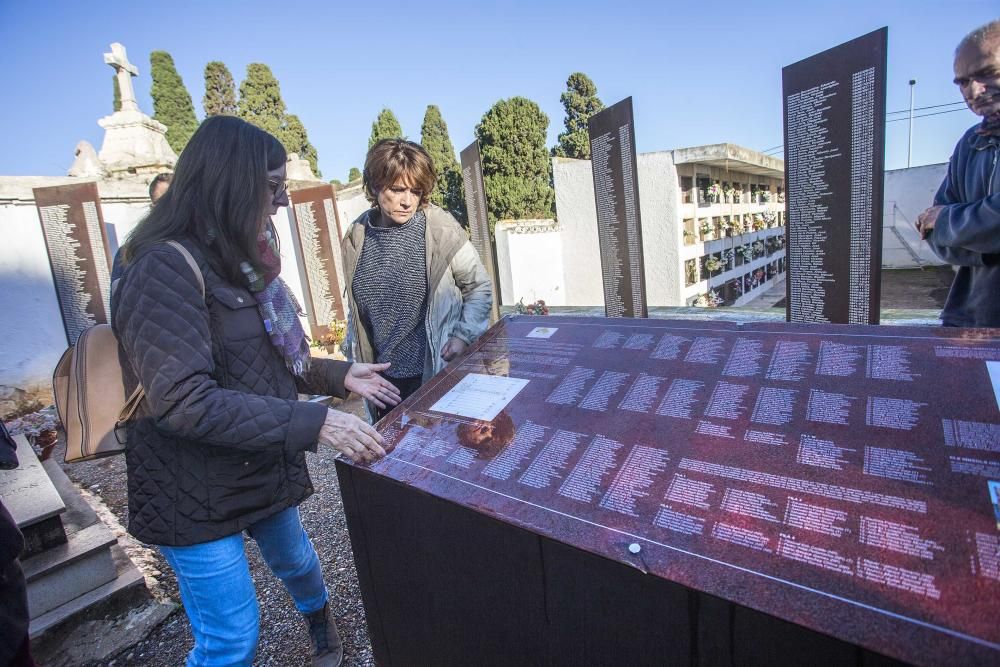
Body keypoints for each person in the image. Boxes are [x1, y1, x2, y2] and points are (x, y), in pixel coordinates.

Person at [113, 115, 401, 666]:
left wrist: (338, 376)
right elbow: (184, 401)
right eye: (272, 188)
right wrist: (316, 424)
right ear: (229, 181)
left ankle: (320, 621)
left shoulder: (240, 259)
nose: (281, 203)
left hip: (254, 464)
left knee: (296, 563)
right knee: (231, 640)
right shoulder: (161, 267)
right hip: (191, 488)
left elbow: (268, 358)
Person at [342, 139, 493, 421]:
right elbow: (358, 311)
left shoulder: (440, 229)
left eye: (416, 190)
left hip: (437, 373)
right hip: (384, 383)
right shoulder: (356, 236)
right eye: (398, 189)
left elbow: (478, 286)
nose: (407, 200)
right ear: (375, 186)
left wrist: (463, 335)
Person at [916, 19, 1000, 328]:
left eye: (987, 73)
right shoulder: (971, 143)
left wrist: (950, 221)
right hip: (974, 321)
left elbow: (941, 220)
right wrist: (985, 237)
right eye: (963, 82)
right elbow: (934, 235)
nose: (974, 90)